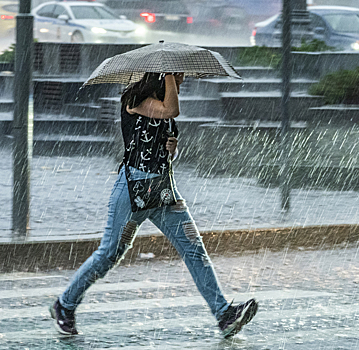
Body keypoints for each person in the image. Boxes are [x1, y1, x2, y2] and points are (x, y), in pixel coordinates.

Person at [50, 72, 258, 338]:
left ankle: (224, 315)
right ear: (161, 76)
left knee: (194, 250)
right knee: (110, 254)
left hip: (162, 194)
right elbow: (171, 108)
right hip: (132, 192)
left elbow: (167, 138)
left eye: (180, 77)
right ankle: (64, 305)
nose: (181, 82)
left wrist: (173, 149)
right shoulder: (134, 98)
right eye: (177, 77)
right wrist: (170, 74)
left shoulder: (165, 114)